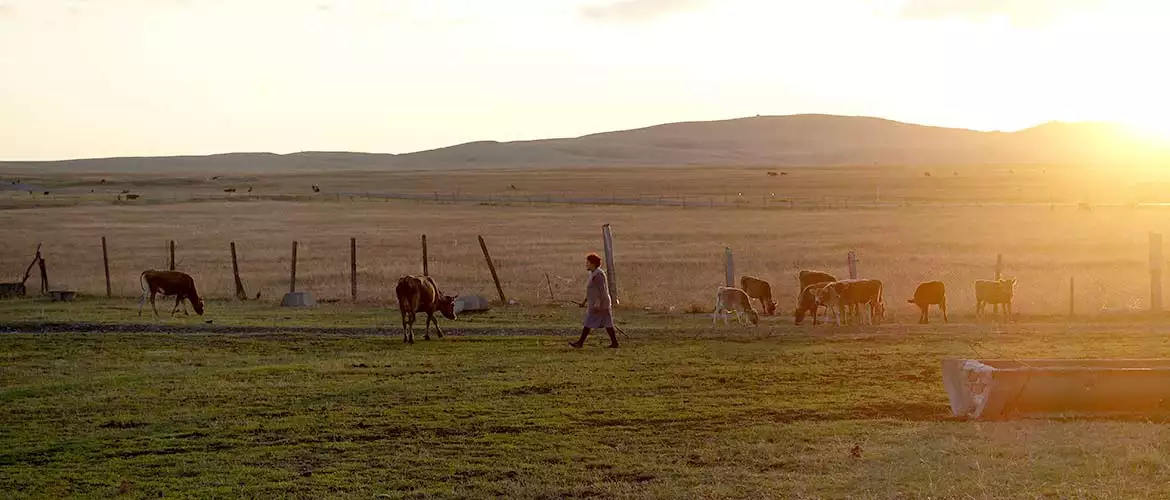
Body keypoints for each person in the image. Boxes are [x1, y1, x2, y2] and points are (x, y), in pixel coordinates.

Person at [569, 253, 618, 348]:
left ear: (593, 264)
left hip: (600, 304)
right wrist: (584, 302)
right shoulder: (593, 274)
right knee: (607, 323)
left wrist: (597, 304)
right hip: (598, 304)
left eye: (588, 262)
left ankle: (580, 343)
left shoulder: (598, 275)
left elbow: (602, 291)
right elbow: (591, 291)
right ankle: (614, 343)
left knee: (589, 322)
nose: (586, 264)